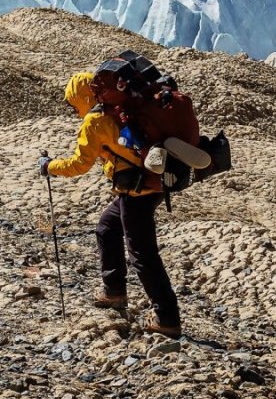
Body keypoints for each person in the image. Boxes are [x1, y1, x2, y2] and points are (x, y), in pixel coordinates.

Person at [39, 71, 182, 338]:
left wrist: (50, 167)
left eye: (73, 104)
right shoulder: (121, 108)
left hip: (136, 190)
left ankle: (167, 317)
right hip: (153, 182)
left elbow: (79, 164)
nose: (73, 110)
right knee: (107, 227)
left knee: (142, 254)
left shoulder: (96, 121)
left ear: (83, 97)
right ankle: (113, 291)